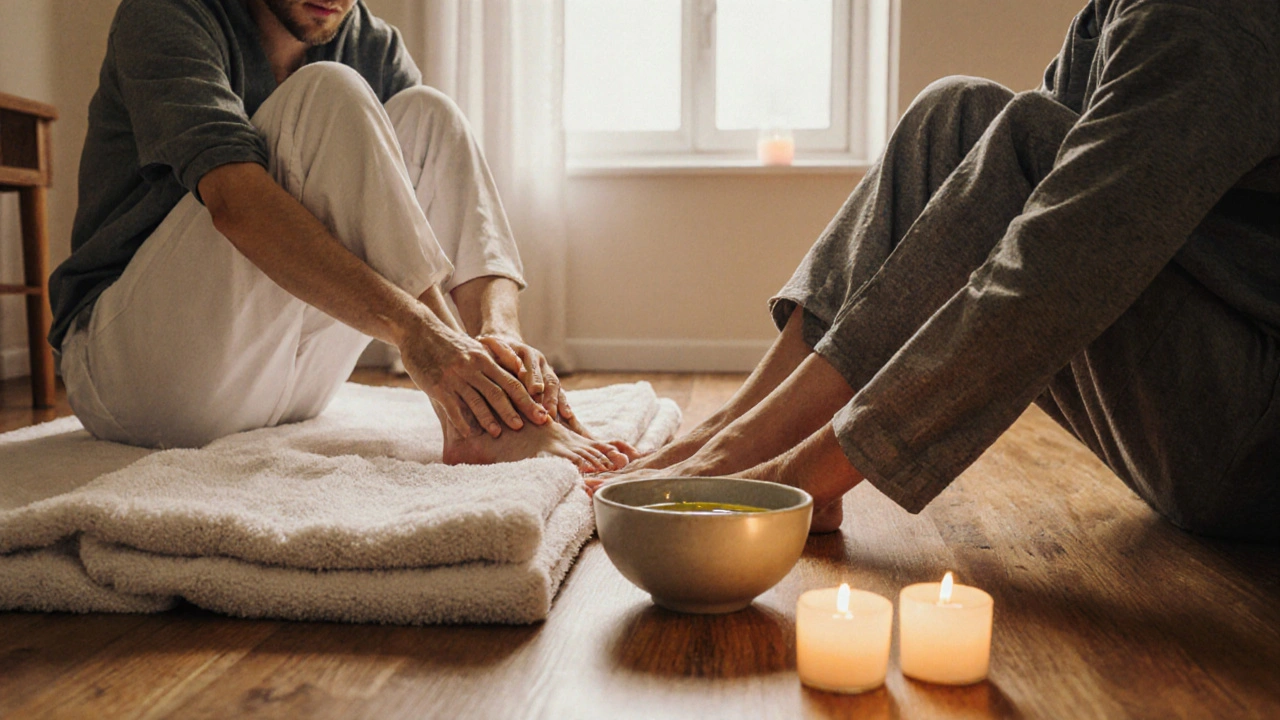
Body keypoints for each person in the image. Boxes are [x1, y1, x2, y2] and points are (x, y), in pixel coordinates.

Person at [605, 0, 1280, 543]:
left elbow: (1050, 269)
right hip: (1206, 404)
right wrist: (744, 442)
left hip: (1248, 452)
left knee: (1032, 147)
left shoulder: (1210, 18)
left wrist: (812, 471)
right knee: (954, 113)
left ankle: (763, 461)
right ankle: (734, 432)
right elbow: (979, 208)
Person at [47, 0, 634, 471]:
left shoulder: (371, 42)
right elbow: (234, 203)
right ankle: (467, 413)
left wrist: (496, 337)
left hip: (287, 386)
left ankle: (484, 391)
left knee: (430, 114)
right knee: (328, 90)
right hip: (132, 378)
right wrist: (419, 333)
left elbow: (419, 207)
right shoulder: (167, 13)